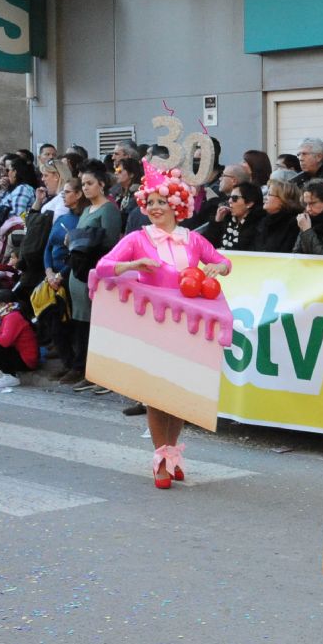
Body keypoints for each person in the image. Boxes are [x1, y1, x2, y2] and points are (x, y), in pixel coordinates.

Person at [91, 170, 231, 488]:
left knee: (179, 393)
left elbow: (223, 262)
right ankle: (160, 458)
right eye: (150, 201)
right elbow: (103, 267)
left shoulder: (193, 239)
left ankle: (172, 455)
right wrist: (132, 266)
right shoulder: (137, 239)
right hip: (152, 328)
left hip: (184, 326)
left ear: (177, 206)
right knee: (158, 394)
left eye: (162, 201)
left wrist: (217, 266)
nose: (155, 207)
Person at [67, 168, 123, 393]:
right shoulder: (87, 209)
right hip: (78, 272)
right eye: (83, 184)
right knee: (81, 324)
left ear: (101, 184)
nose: (86, 187)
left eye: (90, 183)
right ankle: (86, 371)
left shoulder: (109, 209)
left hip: (94, 270)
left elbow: (109, 244)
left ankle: (102, 374)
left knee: (96, 325)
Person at [47, 177, 86, 382]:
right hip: (53, 275)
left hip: (69, 275)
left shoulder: (81, 219)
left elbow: (77, 253)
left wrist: (61, 274)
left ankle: (77, 366)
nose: (63, 195)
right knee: (56, 323)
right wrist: (48, 271)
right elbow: (48, 246)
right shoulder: (63, 216)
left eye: (68, 191)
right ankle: (67, 362)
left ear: (79, 194)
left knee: (71, 323)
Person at [201, 180, 264, 252]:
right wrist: (217, 222)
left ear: (249, 203)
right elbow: (207, 245)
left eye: (234, 198)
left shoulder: (258, 225)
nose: (229, 201)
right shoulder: (226, 219)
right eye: (230, 197)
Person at [255, 176, 303, 253]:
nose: (266, 197)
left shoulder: (295, 223)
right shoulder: (264, 220)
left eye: (270, 194)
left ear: (283, 200)